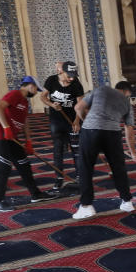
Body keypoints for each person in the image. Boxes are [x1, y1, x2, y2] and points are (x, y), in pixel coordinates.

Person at [72, 81, 136, 219]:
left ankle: (86, 206)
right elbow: (129, 130)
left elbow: (78, 107)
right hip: (113, 133)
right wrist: (133, 153)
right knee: (118, 168)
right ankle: (127, 201)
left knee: (85, 167)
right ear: (126, 91)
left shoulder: (101, 89)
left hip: (91, 130)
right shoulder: (127, 103)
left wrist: (86, 120)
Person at [0, 76, 55, 211]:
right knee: (4, 166)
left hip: (12, 138)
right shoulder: (15, 94)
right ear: (30, 85)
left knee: (24, 164)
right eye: (36, 89)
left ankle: (36, 194)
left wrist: (28, 141)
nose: (35, 93)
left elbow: (25, 122)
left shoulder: (24, 101)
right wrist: (6, 127)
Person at [40, 61, 85, 190]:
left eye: (73, 75)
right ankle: (59, 178)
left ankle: (79, 177)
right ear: (62, 72)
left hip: (72, 121)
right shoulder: (51, 81)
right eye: (69, 75)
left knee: (77, 150)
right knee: (58, 149)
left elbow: (80, 105)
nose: (71, 78)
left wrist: (77, 121)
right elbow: (42, 97)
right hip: (56, 121)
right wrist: (51, 104)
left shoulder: (76, 84)